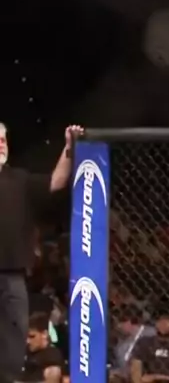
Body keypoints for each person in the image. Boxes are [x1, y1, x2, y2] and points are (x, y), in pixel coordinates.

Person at [0, 123, 80, 381]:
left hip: (13, 275)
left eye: (4, 139)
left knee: (14, 341)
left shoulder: (19, 180)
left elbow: (56, 181)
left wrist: (69, 148)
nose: (2, 144)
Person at [20, 312, 63, 383]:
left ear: (44, 334)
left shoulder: (52, 356)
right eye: (27, 337)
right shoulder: (27, 352)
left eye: (32, 336)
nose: (28, 341)